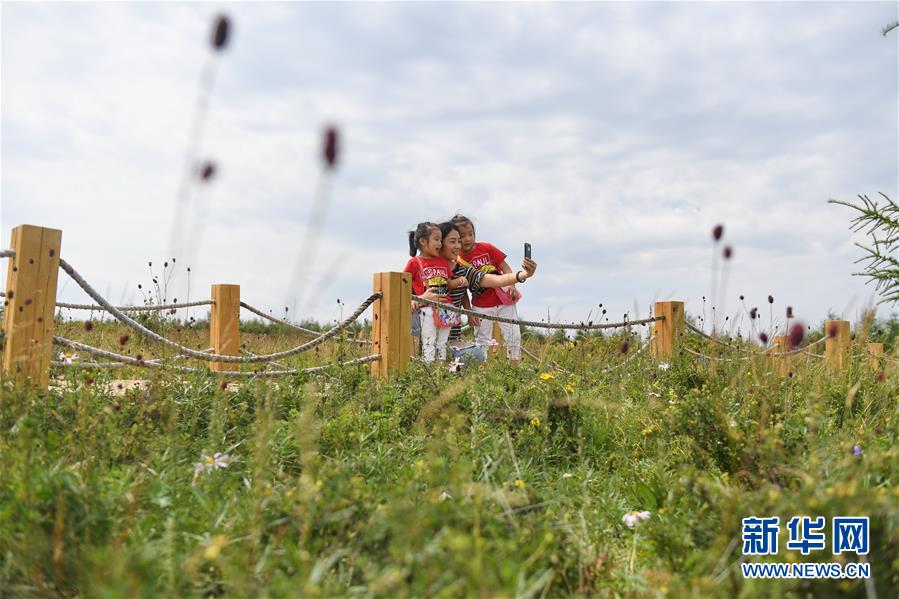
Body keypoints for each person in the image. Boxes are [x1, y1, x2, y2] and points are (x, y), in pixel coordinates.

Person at [437, 220, 536, 364]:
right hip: (480, 304)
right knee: (481, 340)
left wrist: (517, 280)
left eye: (470, 234)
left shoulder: (482, 252)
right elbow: (461, 291)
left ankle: (514, 366)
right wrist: (469, 311)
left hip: (502, 299)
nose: (466, 240)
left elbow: (499, 273)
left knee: (513, 336)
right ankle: (481, 367)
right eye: (459, 238)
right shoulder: (453, 262)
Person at [402, 222, 467, 363]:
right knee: (428, 342)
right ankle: (429, 374)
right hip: (427, 309)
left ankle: (440, 372)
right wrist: (416, 299)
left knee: (441, 343)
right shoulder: (414, 262)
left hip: (446, 308)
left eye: (440, 239)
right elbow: (402, 285)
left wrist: (459, 281)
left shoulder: (442, 261)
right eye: (436, 239)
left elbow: (448, 283)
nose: (439, 243)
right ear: (423, 241)